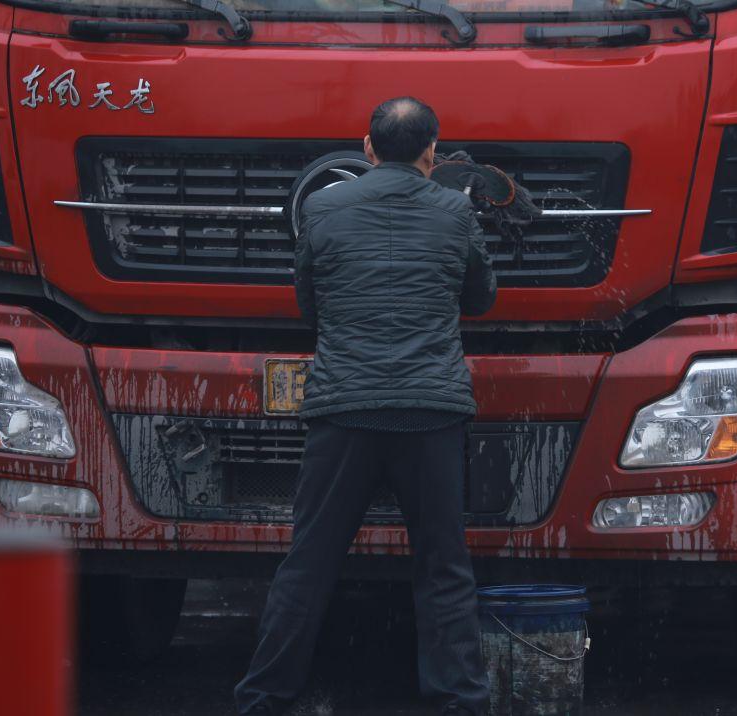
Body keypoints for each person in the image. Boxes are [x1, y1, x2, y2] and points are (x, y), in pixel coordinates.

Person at [234, 97, 496, 715]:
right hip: (431, 412)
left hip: (343, 410)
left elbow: (310, 306)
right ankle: (460, 703)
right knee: (443, 569)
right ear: (432, 152)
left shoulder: (321, 208)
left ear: (367, 148)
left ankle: (264, 700)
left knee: (309, 564)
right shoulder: (456, 214)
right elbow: (481, 298)